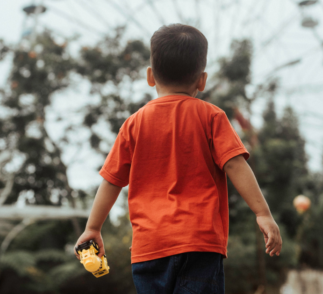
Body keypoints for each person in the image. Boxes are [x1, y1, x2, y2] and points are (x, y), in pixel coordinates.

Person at [75, 24, 282, 294]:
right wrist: (263, 213)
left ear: (150, 76)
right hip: (199, 242)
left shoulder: (133, 124)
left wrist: (93, 227)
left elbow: (111, 180)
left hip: (149, 248)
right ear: (202, 80)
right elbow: (235, 164)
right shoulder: (212, 116)